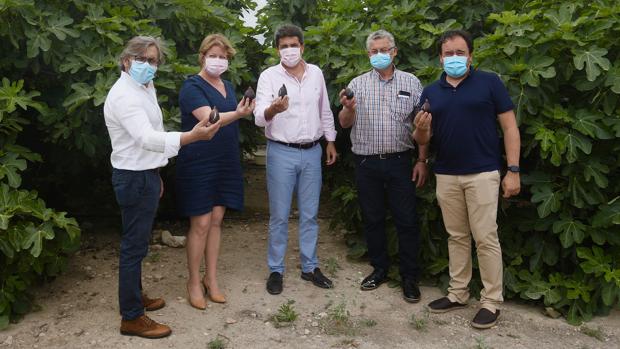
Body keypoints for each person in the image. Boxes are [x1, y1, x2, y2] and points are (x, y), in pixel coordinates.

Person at [104, 36, 221, 338]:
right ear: (126, 60)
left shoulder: (143, 87)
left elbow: (152, 135)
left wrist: (156, 174)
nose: (149, 65)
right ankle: (131, 317)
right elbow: (146, 138)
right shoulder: (124, 96)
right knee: (133, 247)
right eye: (142, 59)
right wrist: (190, 137)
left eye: (153, 60)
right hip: (132, 177)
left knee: (139, 244)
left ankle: (134, 296)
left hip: (145, 174)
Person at [413, 29, 521, 329]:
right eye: (449, 53)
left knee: (485, 237)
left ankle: (491, 301)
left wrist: (513, 170)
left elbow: (510, 128)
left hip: (483, 173)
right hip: (446, 173)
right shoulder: (431, 92)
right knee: (456, 236)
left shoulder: (490, 83)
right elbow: (422, 137)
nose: (454, 58)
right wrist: (421, 131)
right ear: (440, 58)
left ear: (471, 56)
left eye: (460, 53)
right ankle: (458, 292)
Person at [338, 29, 428, 303]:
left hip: (401, 161)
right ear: (368, 54)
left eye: (384, 49)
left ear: (394, 51)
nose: (379, 54)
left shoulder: (412, 82)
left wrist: (422, 160)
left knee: (407, 220)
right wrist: (349, 108)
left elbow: (422, 124)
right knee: (373, 218)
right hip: (366, 162)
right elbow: (344, 123)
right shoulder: (357, 84)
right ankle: (379, 269)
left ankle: (409, 276)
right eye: (374, 51)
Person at [254, 24, 337, 295]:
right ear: (277, 49)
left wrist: (331, 140)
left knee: (310, 214)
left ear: (302, 46)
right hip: (281, 151)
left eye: (293, 45)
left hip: (312, 150)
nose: (289, 50)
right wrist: (272, 109)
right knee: (279, 215)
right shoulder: (268, 76)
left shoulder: (316, 74)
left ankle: (310, 267)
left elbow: (324, 109)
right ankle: (276, 269)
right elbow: (257, 117)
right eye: (283, 46)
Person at [176, 34, 255, 310]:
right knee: (200, 223)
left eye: (223, 56)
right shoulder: (191, 86)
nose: (218, 60)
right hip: (198, 161)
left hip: (225, 159)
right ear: (202, 56)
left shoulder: (228, 85)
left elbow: (229, 116)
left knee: (218, 220)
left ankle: (211, 278)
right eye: (214, 55)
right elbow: (209, 119)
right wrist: (238, 114)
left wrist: (240, 111)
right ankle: (193, 282)